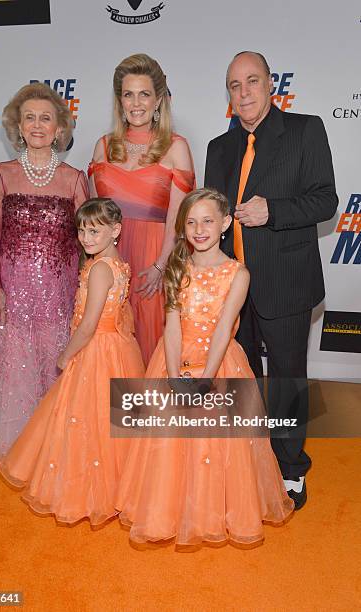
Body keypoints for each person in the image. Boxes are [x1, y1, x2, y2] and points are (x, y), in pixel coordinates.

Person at [116, 188, 294, 547]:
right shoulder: (177, 269)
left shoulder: (237, 273)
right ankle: (171, 508)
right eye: (192, 222)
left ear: (225, 224)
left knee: (216, 446)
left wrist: (204, 380)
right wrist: (172, 373)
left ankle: (213, 512)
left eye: (208, 221)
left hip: (219, 366)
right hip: (173, 362)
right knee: (170, 444)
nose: (199, 229)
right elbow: (171, 326)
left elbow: (226, 329)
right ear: (182, 228)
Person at [204, 51, 338, 509]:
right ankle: (247, 456)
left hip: (286, 281)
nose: (243, 93)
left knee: (285, 379)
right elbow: (214, 216)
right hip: (232, 286)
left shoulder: (304, 129)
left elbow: (325, 201)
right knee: (240, 376)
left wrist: (273, 211)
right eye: (234, 85)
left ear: (270, 84)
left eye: (252, 81)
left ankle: (290, 467)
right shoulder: (218, 148)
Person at [0, 198, 145, 526]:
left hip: (95, 350)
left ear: (115, 230)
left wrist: (66, 354)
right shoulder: (121, 264)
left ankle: (91, 493)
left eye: (95, 231)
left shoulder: (99, 269)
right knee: (111, 422)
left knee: (85, 419)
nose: (87, 238)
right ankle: (121, 488)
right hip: (118, 348)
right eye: (81, 230)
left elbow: (88, 324)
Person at [0, 83, 89, 458]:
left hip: (60, 295)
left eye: (46, 118)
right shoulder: (1, 174)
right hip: (13, 295)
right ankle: (20, 443)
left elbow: (90, 243)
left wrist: (86, 293)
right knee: (17, 367)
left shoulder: (75, 179)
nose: (38, 125)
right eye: (30, 118)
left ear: (60, 129)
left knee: (55, 362)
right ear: (18, 127)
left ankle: (53, 439)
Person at [88, 53, 195, 364]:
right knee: (110, 345)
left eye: (144, 94)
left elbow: (179, 219)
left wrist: (161, 265)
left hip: (154, 263)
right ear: (119, 100)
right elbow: (93, 219)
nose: (136, 103)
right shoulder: (103, 147)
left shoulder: (176, 148)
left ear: (158, 99)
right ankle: (115, 411)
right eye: (128, 94)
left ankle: (150, 411)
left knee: (150, 343)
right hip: (110, 264)